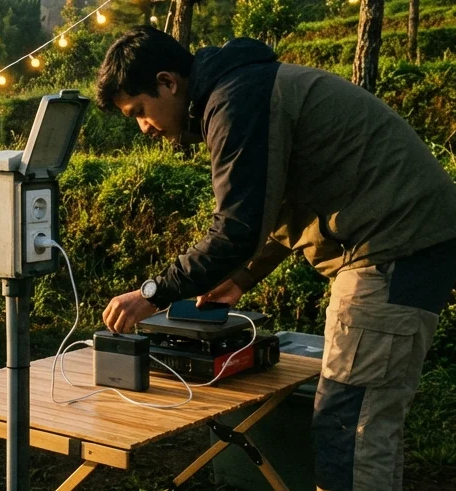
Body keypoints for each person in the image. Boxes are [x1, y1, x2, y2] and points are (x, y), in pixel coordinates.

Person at [96, 26, 456, 491]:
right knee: (357, 421)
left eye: (140, 112)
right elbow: (278, 205)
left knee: (352, 427)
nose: (144, 128)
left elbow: (236, 229)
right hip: (405, 240)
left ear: (167, 82)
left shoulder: (235, 100)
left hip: (394, 246)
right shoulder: (243, 88)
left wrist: (153, 293)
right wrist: (242, 277)